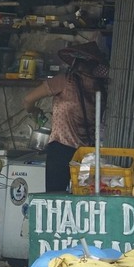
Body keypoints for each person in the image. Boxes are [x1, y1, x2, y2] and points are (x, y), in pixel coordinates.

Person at [22, 42, 109, 193]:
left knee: (55, 198)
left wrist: (34, 111)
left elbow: (28, 100)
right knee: (81, 200)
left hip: (62, 150)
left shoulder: (64, 80)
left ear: (76, 62)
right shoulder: (99, 87)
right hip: (87, 154)